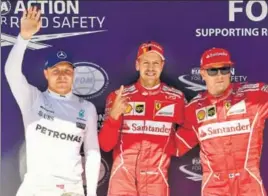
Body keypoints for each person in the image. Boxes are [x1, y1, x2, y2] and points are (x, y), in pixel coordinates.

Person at [5, 7, 100, 196]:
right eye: (56, 71)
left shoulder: (86, 108)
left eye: (67, 71)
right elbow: (11, 73)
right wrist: (23, 38)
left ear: (74, 75)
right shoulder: (32, 98)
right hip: (36, 189)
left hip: (72, 190)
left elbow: (92, 152)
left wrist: (92, 193)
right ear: (46, 74)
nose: (62, 76)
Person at [175, 47, 268, 196]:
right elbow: (173, 147)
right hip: (215, 187)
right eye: (213, 71)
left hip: (249, 185)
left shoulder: (253, 96)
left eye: (225, 69)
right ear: (203, 73)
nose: (220, 75)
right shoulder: (194, 109)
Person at [98, 40, 186, 196]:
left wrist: (172, 148)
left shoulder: (176, 98)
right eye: (145, 62)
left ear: (162, 65)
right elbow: (105, 145)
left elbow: (192, 129)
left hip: (156, 177)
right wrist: (113, 117)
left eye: (155, 63)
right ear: (137, 65)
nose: (150, 68)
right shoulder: (119, 96)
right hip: (123, 176)